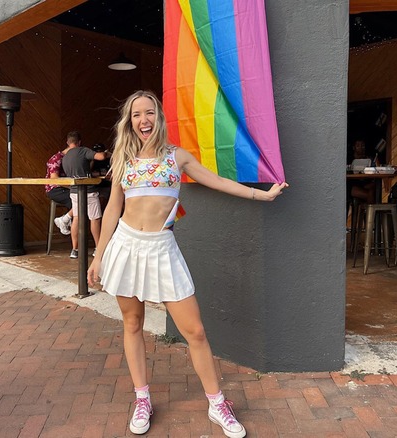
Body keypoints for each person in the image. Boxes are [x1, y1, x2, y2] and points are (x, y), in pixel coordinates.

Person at [87, 90, 288, 437]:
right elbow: (112, 210)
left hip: (161, 248)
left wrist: (262, 194)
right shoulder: (123, 159)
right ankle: (142, 399)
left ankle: (217, 403)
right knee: (132, 324)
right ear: (129, 122)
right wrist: (98, 255)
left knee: (195, 331)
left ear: (159, 117)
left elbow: (217, 181)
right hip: (126, 245)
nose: (144, 120)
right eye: (136, 114)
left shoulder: (176, 157)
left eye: (149, 112)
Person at [61, 131, 109, 259]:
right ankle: (98, 249)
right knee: (95, 218)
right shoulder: (83, 150)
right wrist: (106, 153)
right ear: (79, 142)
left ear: (68, 142)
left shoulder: (65, 157)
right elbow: (100, 157)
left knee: (76, 218)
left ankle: (74, 249)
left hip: (74, 191)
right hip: (89, 190)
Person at [45, 139, 73, 236]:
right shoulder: (57, 158)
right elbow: (54, 179)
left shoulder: (70, 159)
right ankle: (65, 220)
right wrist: (71, 186)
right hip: (54, 189)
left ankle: (67, 219)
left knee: (85, 197)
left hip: (66, 188)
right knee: (78, 198)